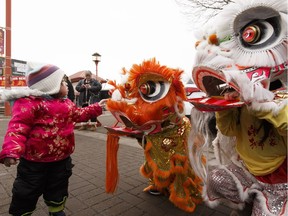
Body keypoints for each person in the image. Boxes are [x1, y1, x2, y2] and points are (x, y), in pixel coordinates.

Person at [0, 64, 104, 216]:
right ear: (51, 86)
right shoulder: (29, 104)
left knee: (58, 189)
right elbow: (18, 127)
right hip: (33, 163)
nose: (67, 86)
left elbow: (80, 114)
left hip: (61, 161)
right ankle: (22, 212)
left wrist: (97, 107)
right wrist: (11, 151)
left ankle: (56, 210)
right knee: (26, 191)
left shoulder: (67, 104)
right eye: (63, 83)